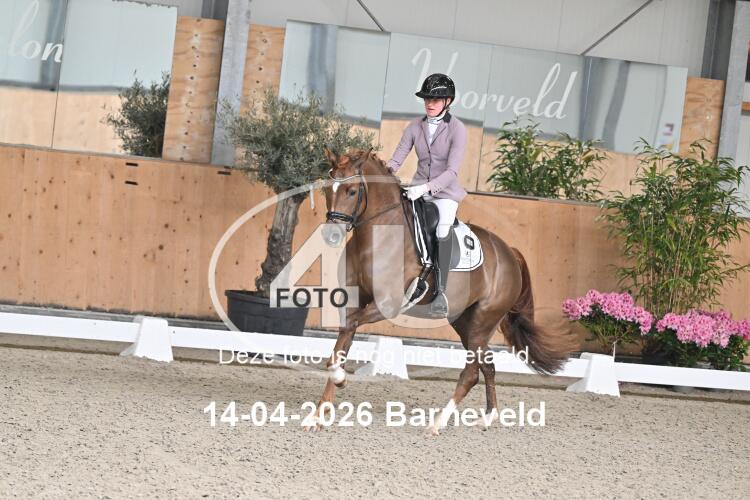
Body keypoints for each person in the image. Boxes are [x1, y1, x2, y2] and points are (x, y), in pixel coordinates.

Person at [386, 73, 468, 317]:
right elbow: (397, 159)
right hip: (417, 190)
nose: (430, 104)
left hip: (445, 194)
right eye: (427, 99)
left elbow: (452, 171)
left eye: (435, 100)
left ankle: (440, 291)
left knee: (442, 231)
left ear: (448, 101)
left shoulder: (457, 129)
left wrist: (425, 188)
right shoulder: (414, 126)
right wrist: (381, 175)